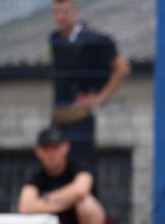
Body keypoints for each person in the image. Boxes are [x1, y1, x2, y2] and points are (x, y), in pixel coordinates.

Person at [19, 126, 115, 224]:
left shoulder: (79, 167)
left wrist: (47, 200)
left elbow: (81, 191)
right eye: (46, 148)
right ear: (38, 152)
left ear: (65, 148)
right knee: (43, 219)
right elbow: (25, 207)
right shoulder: (36, 177)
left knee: (85, 204)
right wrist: (66, 199)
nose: (51, 153)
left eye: (55, 147)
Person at [48, 0, 128, 159]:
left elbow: (122, 69)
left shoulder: (94, 39)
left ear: (75, 11)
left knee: (81, 167)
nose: (60, 17)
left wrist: (99, 99)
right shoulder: (54, 39)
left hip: (80, 117)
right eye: (56, 12)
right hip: (58, 116)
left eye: (64, 11)